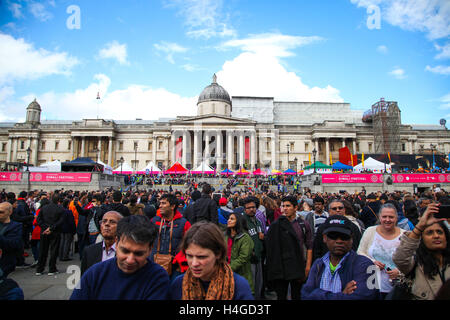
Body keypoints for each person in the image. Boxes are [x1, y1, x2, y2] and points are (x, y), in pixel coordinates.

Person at [70, 215, 170, 300]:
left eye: (138, 254)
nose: (130, 260)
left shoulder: (158, 278)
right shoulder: (95, 274)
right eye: (125, 251)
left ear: (150, 249)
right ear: (117, 243)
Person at [301, 215, 380, 300]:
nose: (339, 241)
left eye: (344, 236)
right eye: (333, 236)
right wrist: (342, 294)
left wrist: (318, 294)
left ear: (351, 238)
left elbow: (367, 296)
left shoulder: (367, 265)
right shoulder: (318, 264)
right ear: (324, 238)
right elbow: (305, 295)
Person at [170, 221, 254, 300]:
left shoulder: (239, 286)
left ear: (218, 254)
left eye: (201, 257)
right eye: (189, 256)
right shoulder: (178, 285)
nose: (194, 263)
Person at [392, 202, 450, 300]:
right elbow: (399, 258)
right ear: (422, 239)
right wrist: (420, 226)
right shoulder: (415, 264)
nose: (436, 236)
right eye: (429, 232)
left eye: (439, 232)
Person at [265, 195, 313, 300]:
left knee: (297, 295)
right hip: (281, 267)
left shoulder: (303, 224)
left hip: (298, 265)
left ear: (295, 208)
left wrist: (308, 267)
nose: (285, 209)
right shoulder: (276, 225)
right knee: (281, 295)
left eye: (288, 206)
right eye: (283, 206)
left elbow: (309, 245)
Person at [357, 203, 405, 298]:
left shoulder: (405, 235)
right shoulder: (370, 231)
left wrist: (399, 272)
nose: (387, 220)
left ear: (396, 218)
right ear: (379, 217)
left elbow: (411, 261)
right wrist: (372, 262)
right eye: (384, 217)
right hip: (372, 284)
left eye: (391, 217)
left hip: (396, 287)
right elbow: (360, 253)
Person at [150, 194, 191, 280]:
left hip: (175, 266)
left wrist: (180, 259)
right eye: (160, 203)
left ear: (172, 206)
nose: (160, 206)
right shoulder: (154, 221)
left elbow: (190, 244)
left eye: (164, 203)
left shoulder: (184, 223)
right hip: (154, 262)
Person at [35, 194, 65, 276]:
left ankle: (39, 269)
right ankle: (52, 268)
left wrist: (45, 228)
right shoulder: (60, 209)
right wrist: (51, 228)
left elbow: (38, 220)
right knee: (54, 250)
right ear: (59, 201)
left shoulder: (43, 208)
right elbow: (61, 221)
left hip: (44, 231)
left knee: (43, 250)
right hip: (55, 232)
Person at [225, 212, 254, 294]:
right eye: (229, 218)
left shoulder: (245, 238)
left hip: (240, 273)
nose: (228, 221)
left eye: (232, 219)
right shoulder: (226, 236)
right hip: (227, 274)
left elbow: (243, 257)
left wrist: (229, 268)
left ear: (238, 222)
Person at [242, 196, 264, 299]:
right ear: (244, 209)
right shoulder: (242, 222)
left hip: (259, 257)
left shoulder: (258, 221)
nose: (252, 209)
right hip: (248, 259)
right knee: (251, 286)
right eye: (249, 207)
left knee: (258, 284)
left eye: (253, 207)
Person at [0, 202, 23, 278]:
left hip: (5, 262)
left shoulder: (16, 226)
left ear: (10, 212)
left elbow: (14, 244)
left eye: (1, 212)